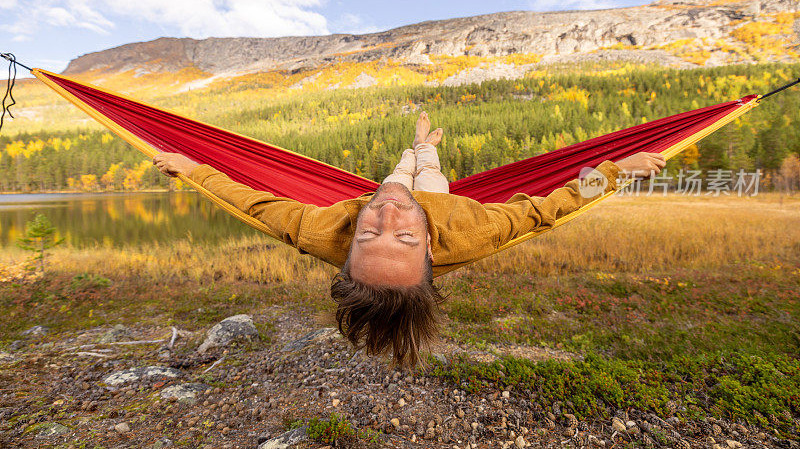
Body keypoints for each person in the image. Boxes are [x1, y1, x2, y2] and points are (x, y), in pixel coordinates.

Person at [154, 112, 666, 367]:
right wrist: (615, 169)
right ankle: (427, 150)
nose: (386, 214)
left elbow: (253, 204)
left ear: (346, 247)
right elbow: (556, 204)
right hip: (445, 203)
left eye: (367, 233)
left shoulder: (323, 231)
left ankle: (414, 147)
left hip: (406, 193)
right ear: (429, 250)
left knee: (398, 175)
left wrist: (194, 167)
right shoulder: (476, 232)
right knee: (431, 177)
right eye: (400, 236)